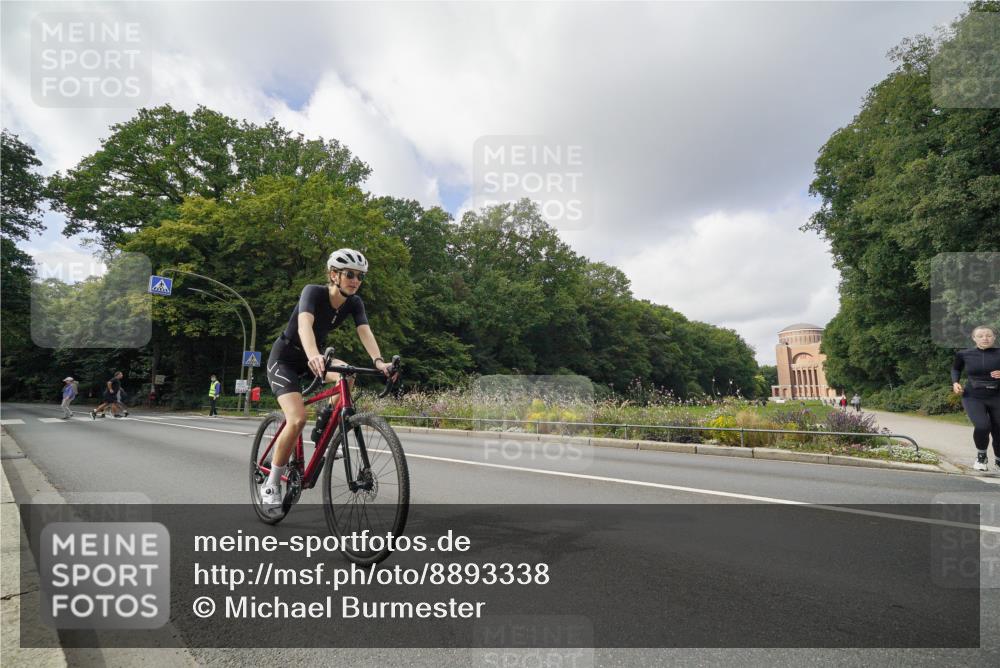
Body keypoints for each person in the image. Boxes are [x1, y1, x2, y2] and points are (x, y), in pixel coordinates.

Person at [261, 248, 393, 510]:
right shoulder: (313, 292)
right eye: (350, 274)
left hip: (315, 358)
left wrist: (379, 362)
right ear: (334, 275)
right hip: (285, 359)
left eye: (360, 276)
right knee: (296, 418)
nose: (355, 280)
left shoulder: (354, 303)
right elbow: (304, 326)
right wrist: (313, 356)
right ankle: (272, 482)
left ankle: (323, 427)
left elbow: (365, 332)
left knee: (348, 372)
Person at [951, 325, 1000, 472]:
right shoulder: (964, 354)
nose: (985, 338)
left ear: (994, 337)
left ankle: (999, 460)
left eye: (988, 335)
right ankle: (981, 457)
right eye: (980, 336)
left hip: (997, 396)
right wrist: (955, 382)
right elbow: (955, 368)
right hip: (973, 396)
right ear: (974, 338)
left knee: (999, 429)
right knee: (982, 426)